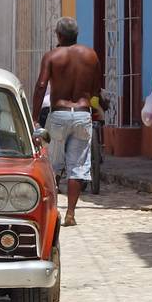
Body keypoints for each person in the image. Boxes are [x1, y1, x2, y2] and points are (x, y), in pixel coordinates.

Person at [33, 17, 103, 227]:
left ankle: (52, 211)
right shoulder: (91, 56)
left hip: (59, 114)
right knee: (78, 166)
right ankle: (71, 213)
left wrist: (35, 117)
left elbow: (41, 85)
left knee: (51, 166)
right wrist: (93, 105)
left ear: (59, 35)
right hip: (83, 114)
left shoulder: (52, 56)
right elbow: (96, 89)